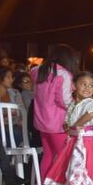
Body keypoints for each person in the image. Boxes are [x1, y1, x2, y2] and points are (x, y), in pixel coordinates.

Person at [31, 44, 80, 177]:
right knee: (64, 156)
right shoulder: (64, 74)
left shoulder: (37, 71)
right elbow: (65, 100)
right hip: (58, 123)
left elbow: (35, 93)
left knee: (48, 155)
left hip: (41, 121)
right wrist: (78, 105)